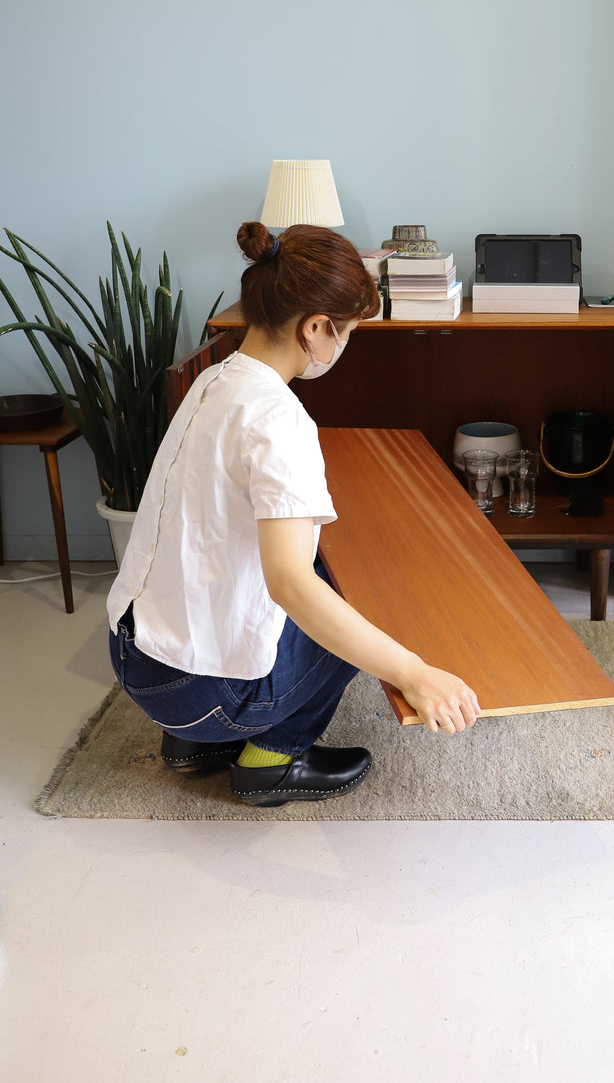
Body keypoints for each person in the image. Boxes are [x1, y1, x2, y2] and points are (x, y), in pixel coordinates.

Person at [107, 221, 480, 808]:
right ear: (314, 328)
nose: (344, 346)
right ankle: (271, 761)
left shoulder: (214, 379)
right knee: (350, 598)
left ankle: (191, 747)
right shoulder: (279, 420)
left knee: (311, 578)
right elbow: (289, 586)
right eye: (348, 332)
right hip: (196, 693)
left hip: (135, 654)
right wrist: (414, 673)